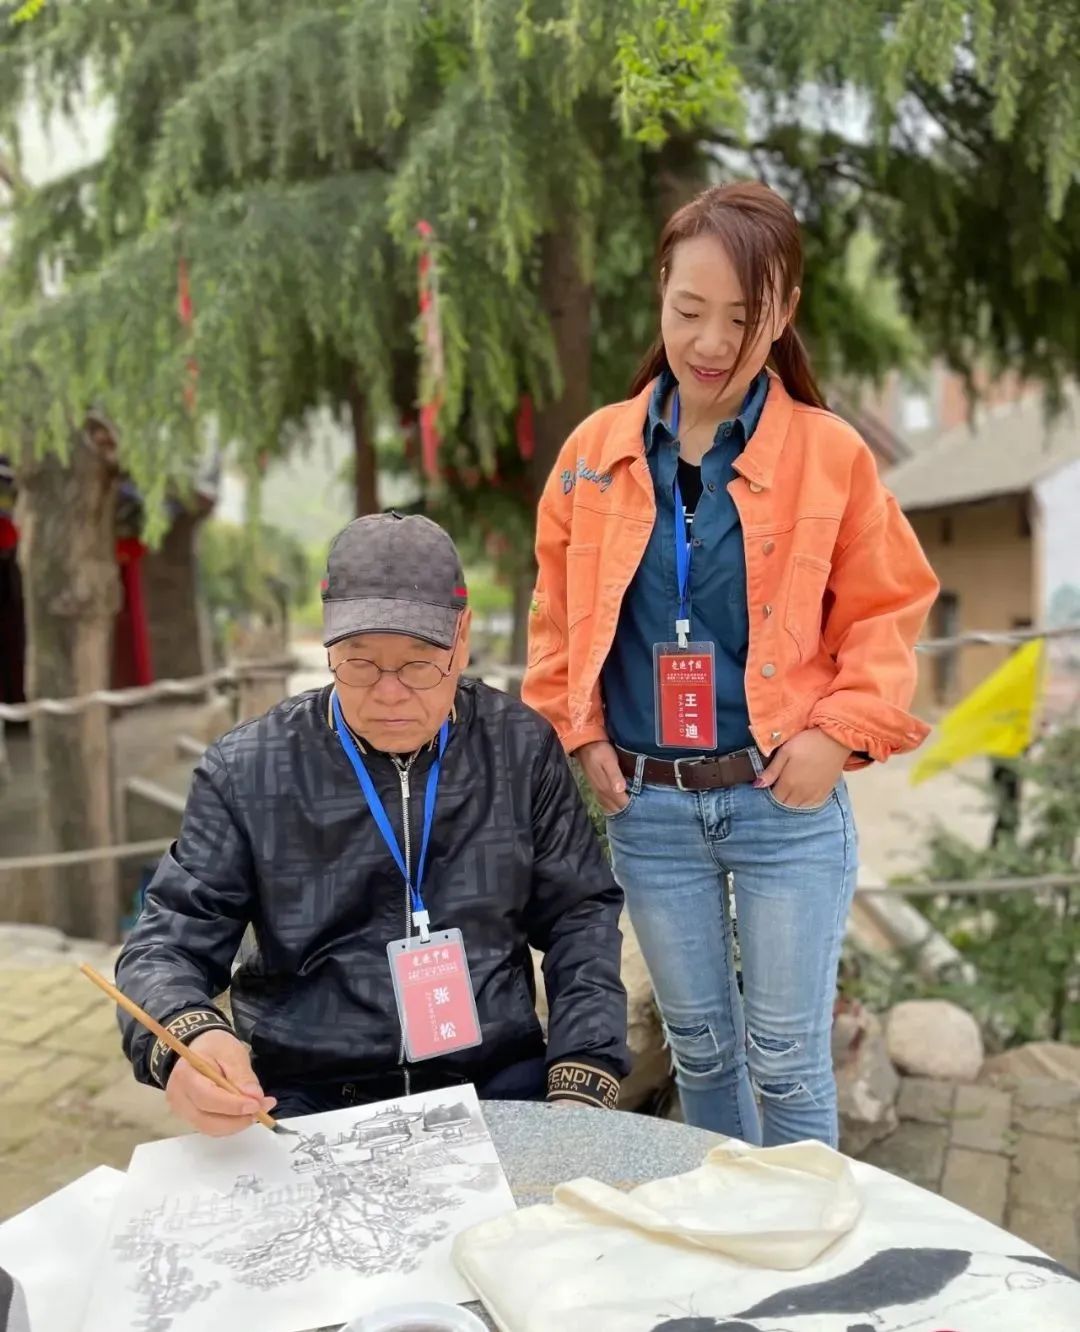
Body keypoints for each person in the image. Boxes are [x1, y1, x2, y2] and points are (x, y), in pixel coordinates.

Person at [522, 181, 939, 1148]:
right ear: (661, 293)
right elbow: (554, 611)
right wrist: (580, 732)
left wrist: (836, 735)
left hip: (782, 807)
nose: (711, 343)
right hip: (651, 811)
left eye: (744, 319)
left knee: (790, 1056)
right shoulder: (594, 453)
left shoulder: (832, 456)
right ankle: (725, 1240)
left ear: (783, 313)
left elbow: (889, 609)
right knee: (701, 1048)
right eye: (689, 311)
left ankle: (803, 1262)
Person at [115, 512, 629, 1135]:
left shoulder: (518, 749)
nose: (389, 693)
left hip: (493, 1079)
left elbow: (580, 915)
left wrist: (582, 1069)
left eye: (418, 665)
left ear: (461, 639)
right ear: (329, 644)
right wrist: (186, 1041)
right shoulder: (249, 769)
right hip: (312, 1094)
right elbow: (166, 942)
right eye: (359, 664)